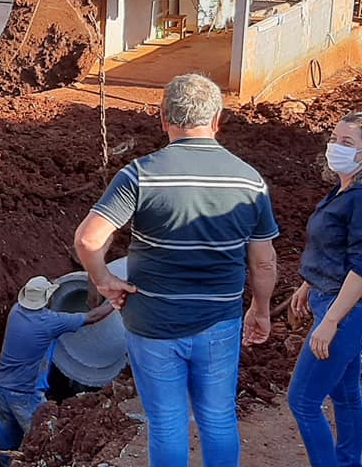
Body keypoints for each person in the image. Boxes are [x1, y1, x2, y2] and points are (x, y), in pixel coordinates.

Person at [73, 73, 279, 467]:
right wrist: (261, 309)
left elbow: (88, 239)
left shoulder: (139, 174)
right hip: (218, 322)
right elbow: (264, 260)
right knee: (218, 418)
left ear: (163, 118)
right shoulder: (249, 182)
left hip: (153, 322)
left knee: (167, 423)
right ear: (217, 119)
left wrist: (104, 280)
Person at [287, 112, 362, 467]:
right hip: (335, 301)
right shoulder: (344, 189)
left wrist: (331, 320)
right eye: (334, 139)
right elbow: (334, 247)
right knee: (345, 394)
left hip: (352, 311)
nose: (334, 147)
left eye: (347, 143)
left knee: (303, 401)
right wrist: (309, 283)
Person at [0, 275, 114, 466]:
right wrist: (115, 302)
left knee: (8, 438)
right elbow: (93, 316)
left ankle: (6, 464)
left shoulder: (16, 311)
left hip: (1, 384)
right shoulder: (48, 322)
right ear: (46, 299)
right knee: (42, 440)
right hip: (25, 393)